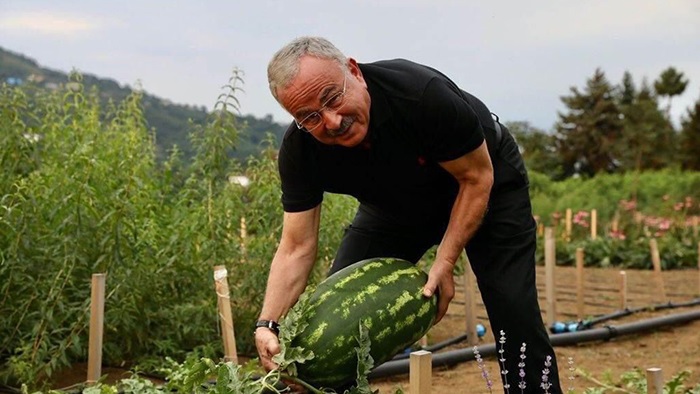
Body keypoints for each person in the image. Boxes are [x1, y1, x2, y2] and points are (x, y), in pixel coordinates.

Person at [254, 36, 562, 393]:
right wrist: (268, 323)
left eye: (332, 98)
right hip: (394, 209)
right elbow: (295, 247)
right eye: (309, 117)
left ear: (354, 71)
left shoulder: (420, 96)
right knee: (332, 322)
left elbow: (476, 178)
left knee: (513, 311)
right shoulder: (300, 151)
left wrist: (445, 261)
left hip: (483, 183)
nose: (332, 120)